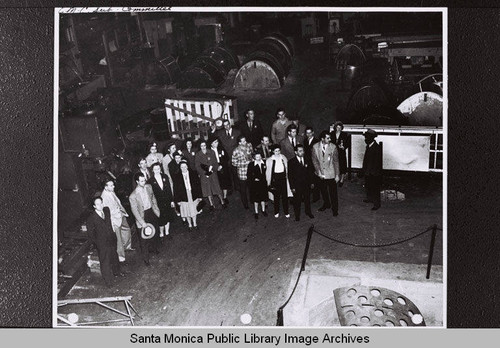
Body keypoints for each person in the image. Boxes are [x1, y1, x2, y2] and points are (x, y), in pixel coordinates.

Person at [86, 196, 124, 286]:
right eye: (97, 204)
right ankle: (108, 281)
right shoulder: (91, 218)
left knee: (114, 256)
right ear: (94, 206)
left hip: (111, 239)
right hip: (102, 244)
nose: (100, 205)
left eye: (101, 203)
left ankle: (117, 272)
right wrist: (98, 243)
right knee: (105, 262)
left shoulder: (106, 210)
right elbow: (91, 234)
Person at [129, 173, 161, 266]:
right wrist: (142, 222)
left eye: (144, 180)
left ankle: (154, 249)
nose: (144, 182)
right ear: (137, 182)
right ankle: (146, 259)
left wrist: (156, 209)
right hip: (142, 217)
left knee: (154, 232)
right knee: (144, 239)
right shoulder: (133, 196)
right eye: (142, 181)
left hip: (151, 212)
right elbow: (134, 211)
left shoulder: (149, 187)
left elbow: (153, 198)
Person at [101, 179, 133, 262]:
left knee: (127, 229)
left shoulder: (111, 191)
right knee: (118, 238)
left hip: (120, 215)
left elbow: (117, 202)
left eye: (113, 185)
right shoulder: (104, 197)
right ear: (106, 187)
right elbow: (107, 213)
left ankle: (127, 247)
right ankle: (121, 256)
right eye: (111, 185)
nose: (113, 186)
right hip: (114, 219)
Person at [311, 130, 340, 216]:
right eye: (328, 138)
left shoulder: (333, 147)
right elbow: (315, 161)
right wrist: (318, 172)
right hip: (320, 173)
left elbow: (336, 162)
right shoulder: (315, 147)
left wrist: (337, 175)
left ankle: (335, 209)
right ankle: (327, 204)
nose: (330, 139)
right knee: (323, 191)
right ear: (322, 139)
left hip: (331, 173)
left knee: (333, 193)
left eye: (330, 138)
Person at [195, 139, 225, 210]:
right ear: (200, 146)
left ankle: (222, 201)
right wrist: (204, 172)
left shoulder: (211, 152)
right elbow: (197, 166)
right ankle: (211, 204)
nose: (203, 147)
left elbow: (215, 162)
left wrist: (216, 168)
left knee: (217, 188)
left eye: (204, 145)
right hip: (204, 175)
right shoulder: (198, 154)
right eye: (201, 146)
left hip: (212, 173)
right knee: (207, 189)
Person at [173, 161, 203, 230]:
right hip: (183, 196)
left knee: (193, 210)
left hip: (192, 194)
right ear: (180, 168)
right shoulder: (177, 176)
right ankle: (190, 225)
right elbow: (176, 189)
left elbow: (198, 185)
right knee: (186, 211)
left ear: (187, 166)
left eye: (185, 166)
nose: (183, 168)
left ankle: (195, 224)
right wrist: (178, 200)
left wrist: (199, 196)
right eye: (182, 167)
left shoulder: (193, 173)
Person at [148, 163, 176, 237]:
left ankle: (167, 232)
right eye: (155, 169)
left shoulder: (165, 176)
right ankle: (161, 233)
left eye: (158, 169)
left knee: (168, 216)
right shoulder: (150, 181)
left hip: (167, 200)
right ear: (152, 170)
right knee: (161, 218)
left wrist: (172, 200)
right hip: (158, 202)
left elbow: (169, 189)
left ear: (160, 169)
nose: (157, 170)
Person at [288, 144, 315, 221]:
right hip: (297, 186)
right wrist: (292, 187)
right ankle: (297, 215)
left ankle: (308, 212)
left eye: (303, 150)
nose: (302, 152)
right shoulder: (291, 162)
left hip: (306, 184)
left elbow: (310, 172)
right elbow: (290, 176)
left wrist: (312, 182)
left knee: (307, 199)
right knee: (297, 201)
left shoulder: (307, 159)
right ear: (296, 152)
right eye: (300, 151)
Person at [265, 144, 292, 218]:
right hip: (275, 179)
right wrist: (269, 182)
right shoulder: (269, 160)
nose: (278, 152)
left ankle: (286, 211)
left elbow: (286, 168)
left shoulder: (283, 157)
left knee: (284, 196)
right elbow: (268, 172)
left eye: (279, 150)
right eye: (276, 151)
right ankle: (276, 211)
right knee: (276, 197)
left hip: (283, 178)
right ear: (273, 151)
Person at [361, 129, 382, 210]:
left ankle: (377, 204)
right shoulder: (369, 146)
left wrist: (370, 172)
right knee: (368, 186)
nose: (365, 139)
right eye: (365, 137)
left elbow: (376, 163)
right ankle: (369, 199)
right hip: (368, 172)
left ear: (372, 138)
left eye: (367, 137)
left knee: (375, 188)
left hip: (373, 173)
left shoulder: (376, 148)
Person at [231, 135, 253, 209]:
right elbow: (234, 163)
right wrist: (245, 163)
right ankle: (245, 204)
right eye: (243, 141)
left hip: (250, 171)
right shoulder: (236, 151)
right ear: (239, 143)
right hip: (242, 172)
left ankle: (252, 201)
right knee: (243, 190)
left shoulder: (249, 147)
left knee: (251, 187)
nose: (245, 142)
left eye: (245, 140)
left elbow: (252, 155)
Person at [246, 151, 268, 220]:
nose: (258, 158)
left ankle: (263, 210)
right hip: (255, 184)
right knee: (256, 199)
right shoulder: (251, 164)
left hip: (263, 183)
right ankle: (256, 212)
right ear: (254, 158)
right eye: (257, 157)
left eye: (259, 156)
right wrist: (254, 179)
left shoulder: (264, 162)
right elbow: (249, 175)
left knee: (263, 198)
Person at [210, 136, 231, 204]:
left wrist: (222, 165)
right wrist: (216, 167)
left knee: (224, 182)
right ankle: (220, 197)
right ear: (211, 143)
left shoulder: (221, 149)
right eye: (215, 142)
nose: (217, 143)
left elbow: (226, 158)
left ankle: (225, 197)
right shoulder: (209, 151)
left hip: (222, 167)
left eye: (217, 142)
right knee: (217, 183)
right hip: (214, 168)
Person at [303, 126, 321, 202]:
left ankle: (316, 197)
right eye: (307, 133)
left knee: (315, 180)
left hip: (314, 163)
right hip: (307, 163)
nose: (309, 134)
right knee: (308, 179)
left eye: (310, 133)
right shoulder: (305, 141)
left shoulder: (317, 141)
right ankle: (308, 195)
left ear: (313, 132)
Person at [331, 121, 350, 187]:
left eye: (340, 127)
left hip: (341, 152)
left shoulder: (344, 134)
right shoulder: (332, 133)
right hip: (333, 152)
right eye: (337, 127)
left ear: (342, 128)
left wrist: (344, 147)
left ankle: (342, 180)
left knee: (342, 166)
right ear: (335, 127)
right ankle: (335, 178)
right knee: (334, 165)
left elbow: (347, 143)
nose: (338, 129)